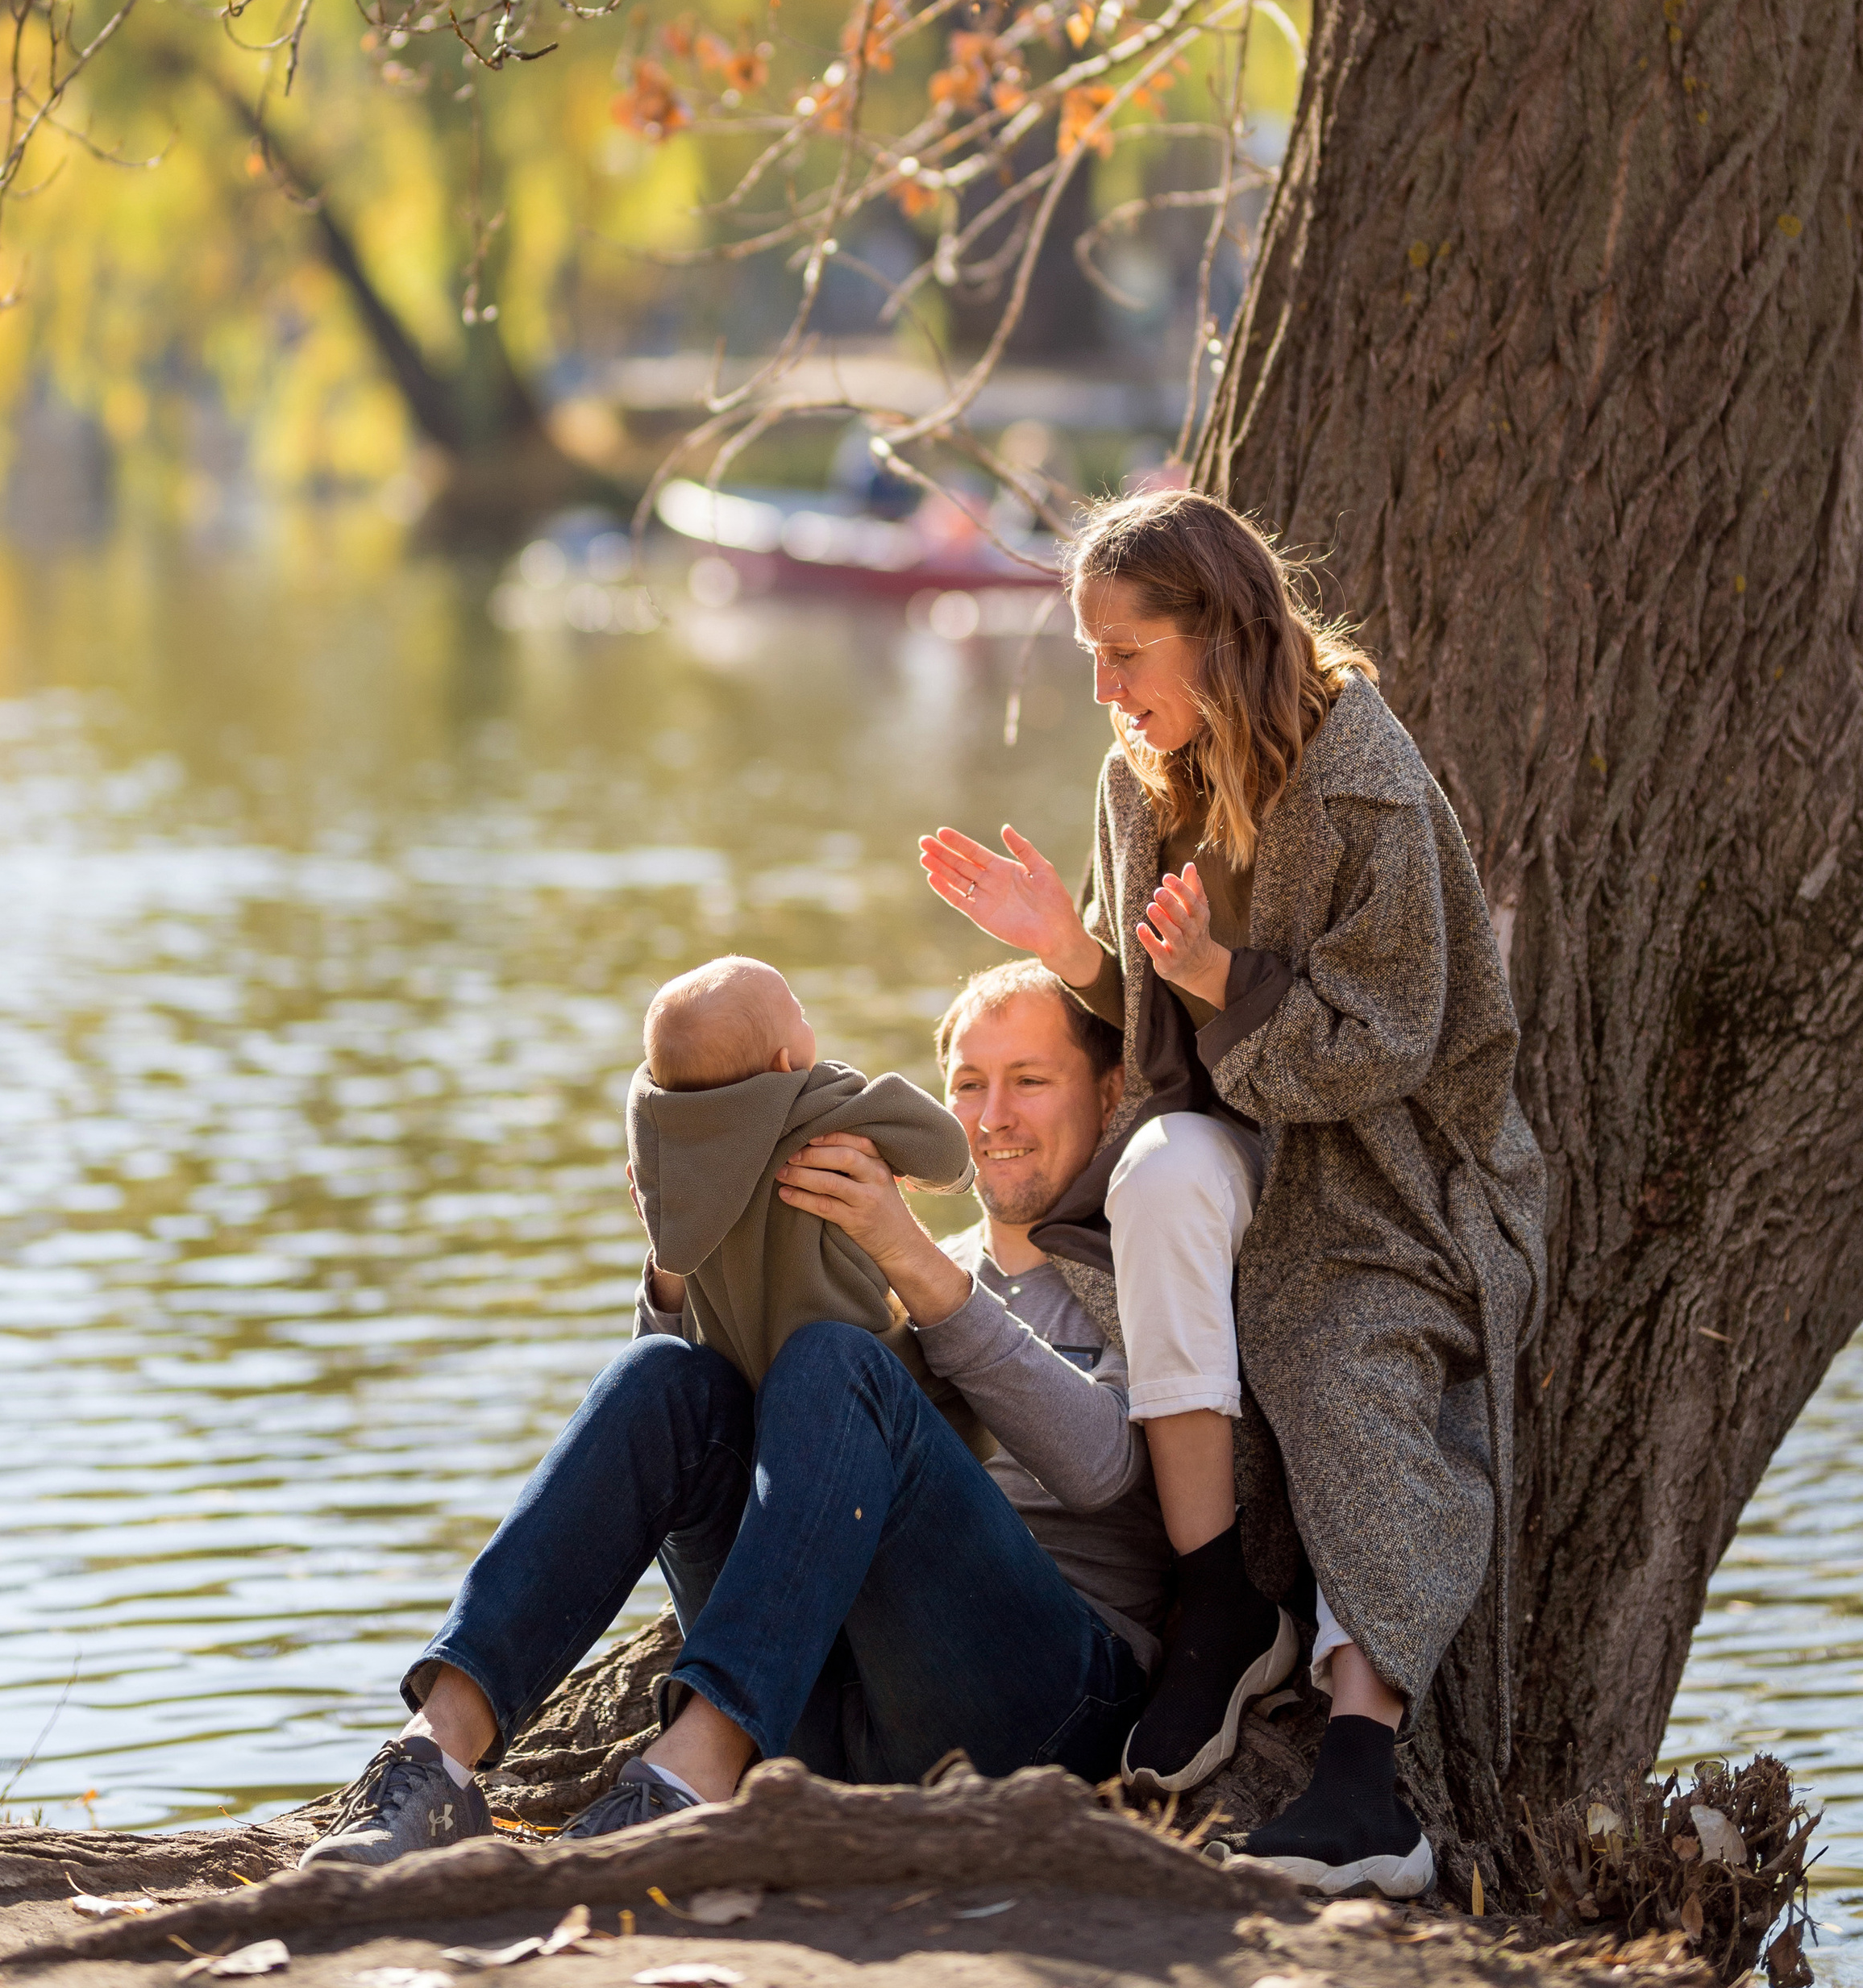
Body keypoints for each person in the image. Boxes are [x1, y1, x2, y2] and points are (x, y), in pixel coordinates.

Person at [921, 487, 1546, 1899]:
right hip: (1241, 1140)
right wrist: (1074, 951)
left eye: (1126, 653)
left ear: (1218, 632)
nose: (1105, 689)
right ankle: (1216, 1599)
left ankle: (1363, 1779)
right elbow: (1153, 1038)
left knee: (1342, 1356)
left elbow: (1386, 1042)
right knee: (1155, 1178)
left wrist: (1219, 976)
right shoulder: (1139, 778)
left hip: (1399, 1172)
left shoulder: (1369, 786)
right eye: (1091, 655)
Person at [300, 965, 1171, 1869]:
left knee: (836, 1358)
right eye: (968, 1084)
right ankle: (435, 1760)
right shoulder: (861, 1253)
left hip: (1036, 1706)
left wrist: (909, 1256)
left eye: (1029, 1080)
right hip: (822, 1706)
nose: (992, 1117)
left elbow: (1101, 1472)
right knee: (665, 1373)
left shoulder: (1134, 1259)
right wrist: (683, 1254)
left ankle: (690, 1774)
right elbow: (689, 1443)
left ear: (1109, 1093)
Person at [628, 955, 976, 1414]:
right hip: (856, 1380)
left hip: (739, 1396)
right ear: (784, 1062)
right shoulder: (824, 1107)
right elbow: (946, 1152)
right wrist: (958, 1177)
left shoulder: (668, 1163)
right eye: (801, 1014)